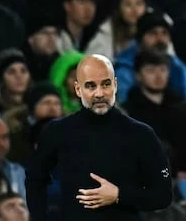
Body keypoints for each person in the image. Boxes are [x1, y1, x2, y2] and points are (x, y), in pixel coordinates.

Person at [25, 54, 172, 219]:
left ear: (115, 85)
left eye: (106, 84)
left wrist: (118, 195)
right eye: (90, 86)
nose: (99, 93)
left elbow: (163, 195)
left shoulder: (141, 134)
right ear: (78, 89)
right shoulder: (57, 131)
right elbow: (34, 179)